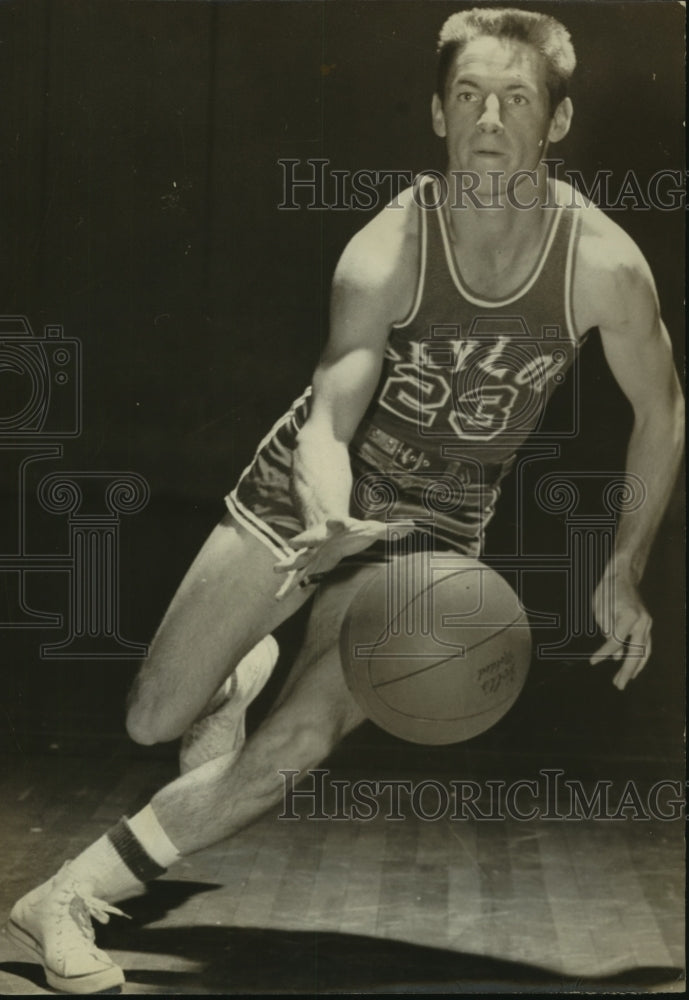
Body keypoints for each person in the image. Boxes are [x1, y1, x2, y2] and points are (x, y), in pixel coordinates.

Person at [7, 7, 683, 994]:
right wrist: (325, 517)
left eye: (515, 97)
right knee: (157, 721)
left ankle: (65, 896)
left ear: (557, 122)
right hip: (307, 497)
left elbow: (661, 413)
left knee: (303, 738)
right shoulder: (387, 248)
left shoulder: (602, 265)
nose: (489, 117)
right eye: (467, 96)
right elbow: (329, 417)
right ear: (436, 116)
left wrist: (621, 567)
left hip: (435, 530)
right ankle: (235, 669)